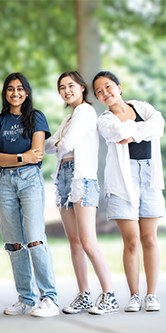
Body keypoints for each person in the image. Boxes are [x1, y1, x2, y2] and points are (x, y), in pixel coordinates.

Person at [45, 71, 118, 315]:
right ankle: (84, 295)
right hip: (64, 178)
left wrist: (59, 142)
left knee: (88, 242)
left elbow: (63, 145)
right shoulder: (68, 118)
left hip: (81, 178)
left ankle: (109, 295)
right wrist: (59, 142)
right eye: (62, 87)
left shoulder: (85, 111)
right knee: (74, 243)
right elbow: (49, 147)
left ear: (81, 87)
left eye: (71, 85)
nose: (66, 90)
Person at [0, 72, 58, 317]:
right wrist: (20, 157)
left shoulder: (36, 117)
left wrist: (17, 159)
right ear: (5, 93)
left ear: (26, 92)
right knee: (14, 243)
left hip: (29, 181)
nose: (15, 93)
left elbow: (36, 154)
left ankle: (49, 297)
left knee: (36, 239)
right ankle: (26, 299)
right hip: (4, 182)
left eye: (19, 89)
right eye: (10, 89)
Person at [94, 71, 164, 312]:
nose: (105, 93)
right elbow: (116, 133)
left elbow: (160, 125)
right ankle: (134, 295)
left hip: (149, 176)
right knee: (132, 241)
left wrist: (132, 132)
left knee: (150, 239)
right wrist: (140, 131)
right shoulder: (103, 119)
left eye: (108, 87)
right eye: (99, 92)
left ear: (119, 87)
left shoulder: (142, 107)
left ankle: (151, 295)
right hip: (123, 181)